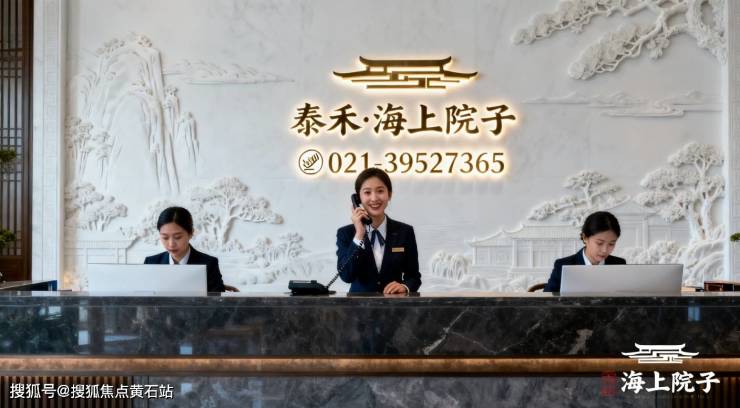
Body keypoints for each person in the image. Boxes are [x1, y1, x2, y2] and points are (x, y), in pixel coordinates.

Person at [336, 168, 421, 294]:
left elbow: (414, 276)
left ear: (389, 194)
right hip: (357, 305)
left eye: (380, 191)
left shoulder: (405, 231)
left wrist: (405, 287)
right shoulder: (346, 233)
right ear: (358, 198)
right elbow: (346, 276)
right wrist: (359, 234)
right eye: (367, 192)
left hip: (394, 304)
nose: (374, 198)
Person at [144, 206, 233, 292]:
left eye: (178, 237)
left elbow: (216, 300)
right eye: (165, 237)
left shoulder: (209, 264)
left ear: (191, 233)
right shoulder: (151, 263)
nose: (171, 244)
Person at [543, 211, 626, 292]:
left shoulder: (619, 264)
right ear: (585, 238)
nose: (605, 250)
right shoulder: (563, 265)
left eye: (611, 244)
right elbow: (547, 298)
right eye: (599, 243)